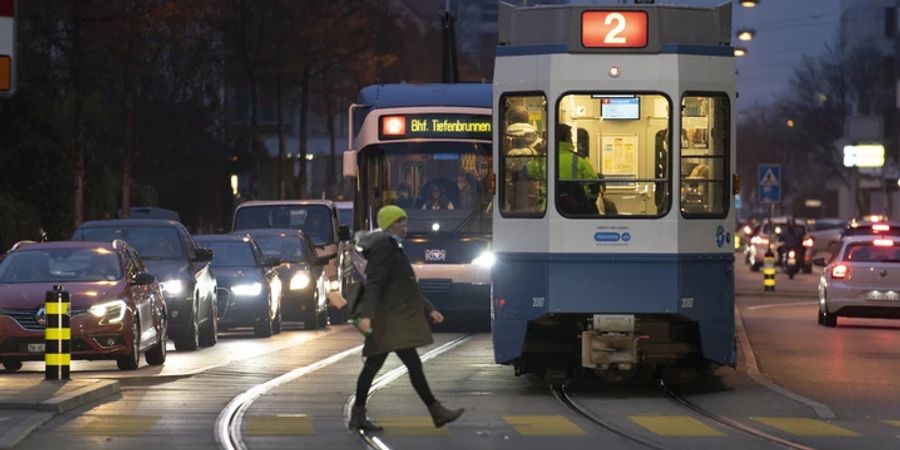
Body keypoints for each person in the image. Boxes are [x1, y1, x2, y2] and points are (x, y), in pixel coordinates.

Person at [348, 205, 464, 432]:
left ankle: (359, 415)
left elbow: (406, 286)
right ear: (390, 224)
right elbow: (373, 284)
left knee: (381, 366)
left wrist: (429, 309)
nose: (405, 225)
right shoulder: (383, 248)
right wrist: (367, 317)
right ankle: (436, 411)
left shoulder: (392, 247)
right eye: (400, 221)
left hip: (392, 321)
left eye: (404, 220)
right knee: (400, 365)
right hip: (387, 321)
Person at [553, 123, 601, 215]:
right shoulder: (579, 159)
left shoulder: (543, 160)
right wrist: (589, 199)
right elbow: (593, 184)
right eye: (570, 137)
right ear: (567, 138)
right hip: (577, 207)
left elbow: (526, 172)